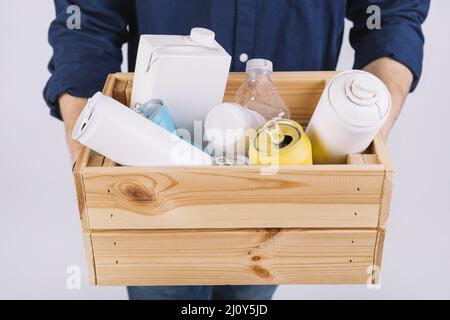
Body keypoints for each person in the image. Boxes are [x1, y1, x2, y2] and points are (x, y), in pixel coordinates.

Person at [44, 0, 429, 300]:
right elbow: (86, 21)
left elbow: (388, 13)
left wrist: (366, 117)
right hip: (156, 195)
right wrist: (94, 157)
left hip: (286, 177)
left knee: (248, 296)